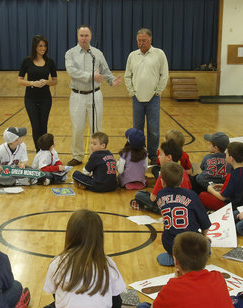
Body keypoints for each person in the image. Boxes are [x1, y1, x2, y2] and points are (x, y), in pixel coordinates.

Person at [26, 209, 150, 308]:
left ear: (70, 234)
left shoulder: (57, 263)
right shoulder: (108, 264)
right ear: (99, 237)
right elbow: (117, 299)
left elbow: (55, 295)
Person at [64, 25, 122, 166]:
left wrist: (111, 80)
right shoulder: (70, 53)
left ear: (91, 37)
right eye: (81, 35)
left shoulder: (97, 53)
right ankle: (77, 156)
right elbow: (72, 72)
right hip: (77, 96)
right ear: (77, 36)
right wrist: (91, 76)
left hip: (95, 95)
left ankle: (96, 156)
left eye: (86, 35)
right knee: (78, 128)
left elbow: (105, 71)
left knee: (97, 128)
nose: (84, 38)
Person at [124, 28, 169, 163]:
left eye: (144, 40)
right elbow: (127, 76)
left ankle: (153, 156)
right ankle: (138, 154)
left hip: (153, 98)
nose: (141, 43)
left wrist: (158, 91)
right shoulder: (132, 55)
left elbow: (164, 74)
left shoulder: (159, 54)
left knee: (153, 130)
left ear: (150, 40)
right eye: (139, 40)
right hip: (137, 98)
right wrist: (132, 92)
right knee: (137, 129)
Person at [155, 162, 211, 266]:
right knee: (205, 244)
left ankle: (174, 258)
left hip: (171, 244)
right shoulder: (192, 195)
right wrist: (203, 237)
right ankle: (192, 258)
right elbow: (205, 223)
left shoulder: (160, 195)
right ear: (182, 180)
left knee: (161, 254)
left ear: (162, 181)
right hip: (191, 243)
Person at [18, 35, 58, 151]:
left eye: (45, 46)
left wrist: (46, 82)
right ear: (35, 47)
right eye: (40, 46)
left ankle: (45, 151)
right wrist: (32, 83)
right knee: (35, 126)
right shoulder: (27, 61)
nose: (43, 48)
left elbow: (55, 81)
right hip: (30, 99)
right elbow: (19, 80)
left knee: (43, 126)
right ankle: (38, 152)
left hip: (45, 98)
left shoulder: (50, 62)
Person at [130, 139, 191, 213]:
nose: (158, 157)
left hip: (169, 207)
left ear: (169, 157)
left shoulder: (164, 172)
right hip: (184, 205)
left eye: (161, 154)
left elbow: (153, 198)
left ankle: (145, 206)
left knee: (139, 195)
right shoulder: (182, 170)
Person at [199, 141, 243, 211]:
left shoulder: (232, 175)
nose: (225, 155)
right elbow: (240, 185)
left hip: (233, 207)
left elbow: (222, 197)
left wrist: (210, 189)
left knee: (202, 195)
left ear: (231, 159)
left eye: (227, 153)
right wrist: (224, 185)